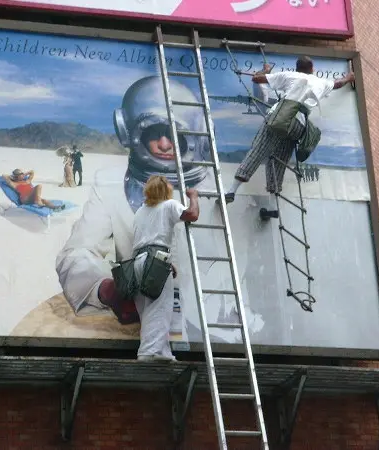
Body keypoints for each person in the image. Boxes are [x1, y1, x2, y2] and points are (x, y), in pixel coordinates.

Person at [55, 76, 265, 343]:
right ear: (127, 130)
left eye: (177, 134)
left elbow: (254, 261)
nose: (166, 144)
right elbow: (77, 252)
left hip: (221, 330)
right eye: (154, 132)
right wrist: (107, 289)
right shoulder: (110, 184)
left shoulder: (227, 189)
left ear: (198, 132)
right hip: (144, 324)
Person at [223, 56, 356, 204]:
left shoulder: (289, 75)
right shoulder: (321, 82)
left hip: (280, 119)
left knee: (258, 151)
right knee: (279, 161)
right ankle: (273, 207)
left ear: (297, 68)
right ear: (312, 69)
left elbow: (257, 79)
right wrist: (349, 77)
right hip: (298, 127)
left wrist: (265, 70)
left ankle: (231, 191)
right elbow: (338, 83)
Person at [132, 175, 199, 362]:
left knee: (147, 310)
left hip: (138, 262)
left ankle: (161, 351)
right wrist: (193, 196)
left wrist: (167, 263)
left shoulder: (141, 211)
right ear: (166, 191)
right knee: (160, 307)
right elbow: (192, 215)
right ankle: (149, 352)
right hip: (156, 259)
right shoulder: (169, 205)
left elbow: (147, 241)